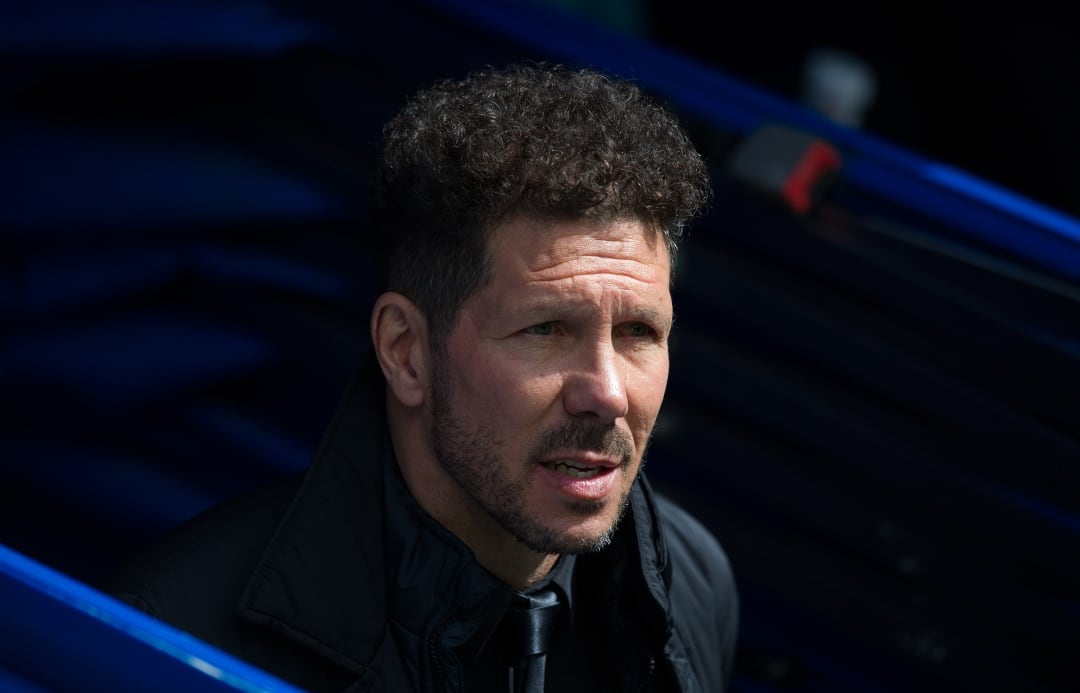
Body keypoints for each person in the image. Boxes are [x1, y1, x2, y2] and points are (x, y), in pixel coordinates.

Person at [103, 61, 739, 692]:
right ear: (405, 351)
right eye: (544, 330)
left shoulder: (693, 578)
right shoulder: (173, 641)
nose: (606, 392)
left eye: (638, 333)